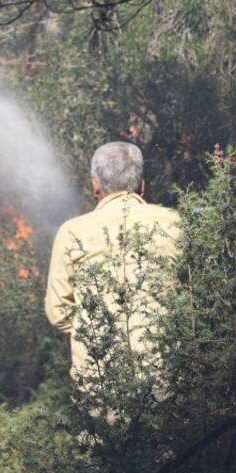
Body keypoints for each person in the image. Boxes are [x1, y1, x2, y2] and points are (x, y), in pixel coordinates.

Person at [45, 141, 181, 382]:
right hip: (167, 382)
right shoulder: (174, 223)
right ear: (142, 185)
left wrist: (96, 330)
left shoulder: (71, 233)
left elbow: (58, 312)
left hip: (100, 387)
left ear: (95, 186)